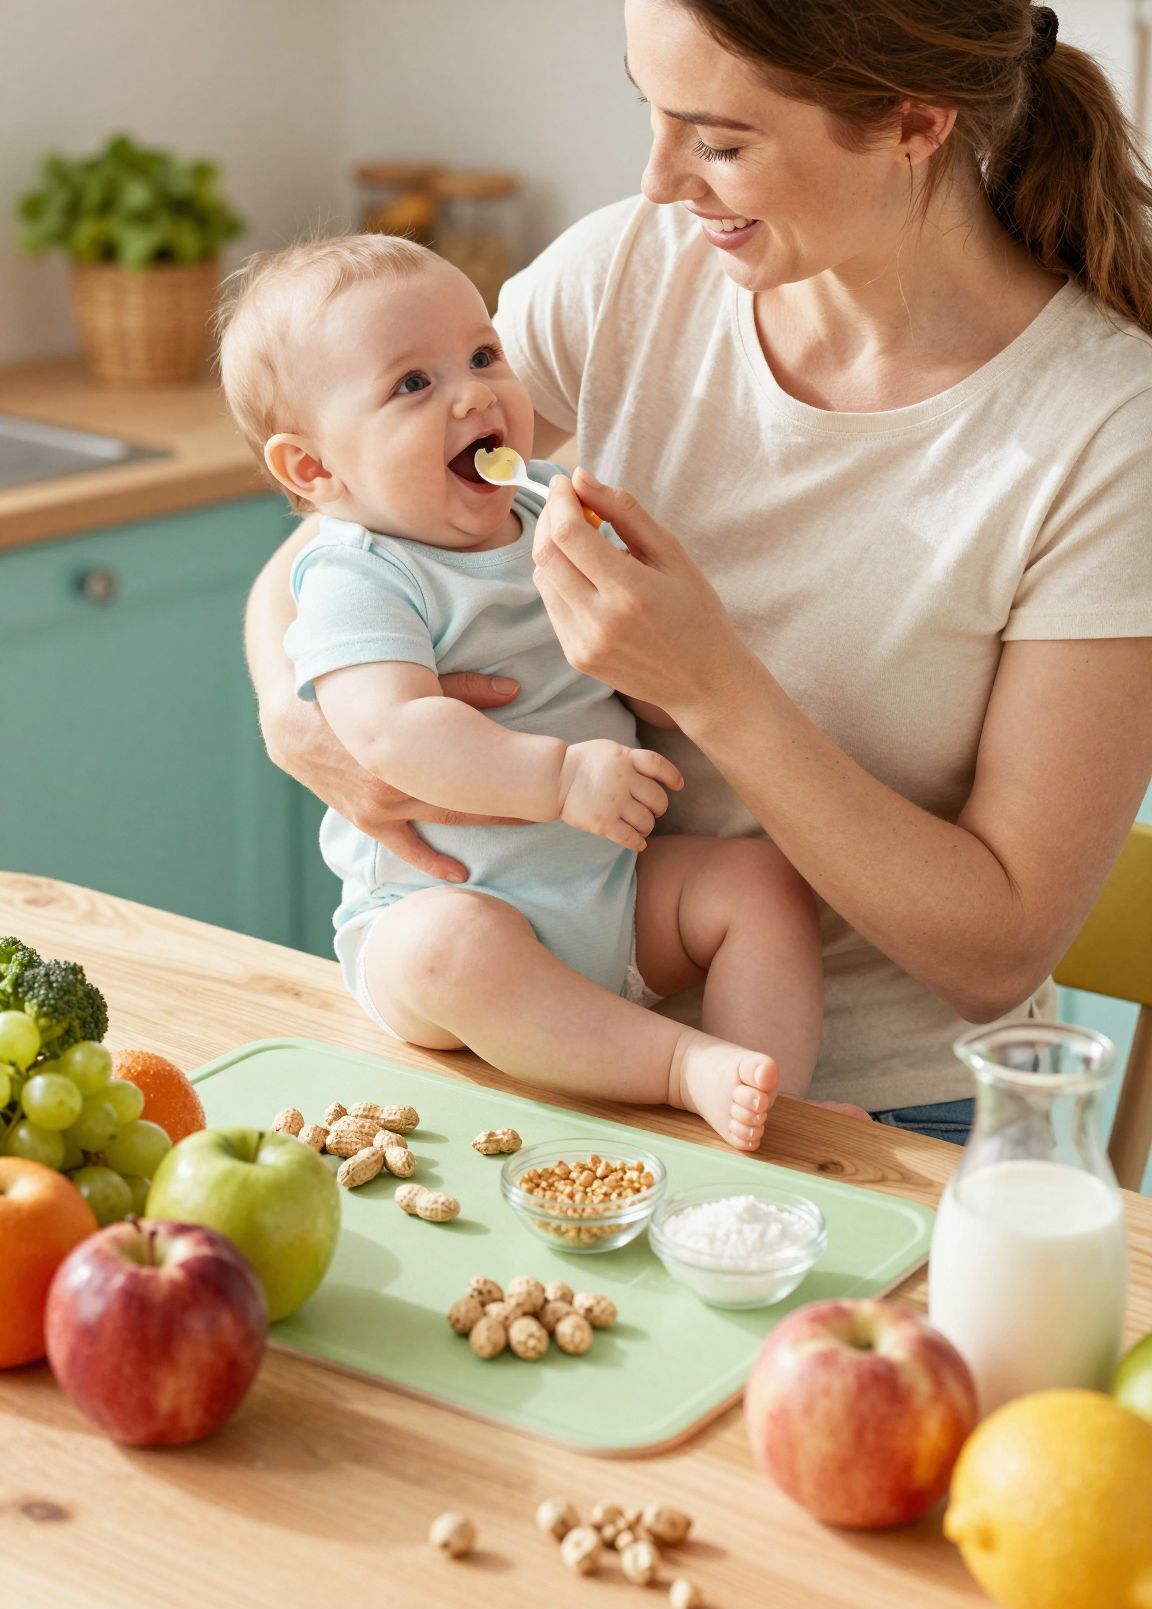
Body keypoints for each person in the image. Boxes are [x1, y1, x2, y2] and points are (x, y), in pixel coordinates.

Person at [244, 0, 1152, 1143]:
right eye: (655, 115)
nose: (662, 181)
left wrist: (712, 685)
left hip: (872, 1119)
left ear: (912, 122)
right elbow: (335, 539)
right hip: (529, 1045)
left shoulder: (1101, 436)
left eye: (721, 140)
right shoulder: (633, 275)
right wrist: (307, 718)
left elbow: (996, 949)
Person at [218, 234, 840, 1150]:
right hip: (448, 916)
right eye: (411, 385)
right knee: (450, 949)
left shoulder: (552, 504)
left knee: (759, 883)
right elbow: (392, 733)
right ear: (315, 471)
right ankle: (679, 1066)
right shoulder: (358, 572)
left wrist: (672, 674)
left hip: (614, 894)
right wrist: (558, 780)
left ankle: (761, 1103)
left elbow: (652, 670)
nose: (474, 393)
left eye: (481, 356)